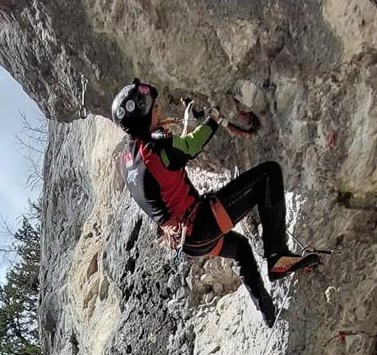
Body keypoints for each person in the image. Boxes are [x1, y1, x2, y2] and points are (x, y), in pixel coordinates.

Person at [112, 79, 322, 327]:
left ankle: (268, 313)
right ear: (142, 118)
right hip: (200, 223)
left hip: (187, 241)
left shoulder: (129, 160)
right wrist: (214, 120)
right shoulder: (155, 147)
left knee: (241, 248)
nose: (158, 110)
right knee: (268, 174)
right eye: (154, 109)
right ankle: (277, 257)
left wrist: (187, 125)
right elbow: (189, 147)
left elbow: (167, 168)